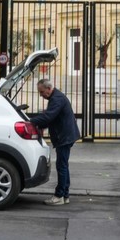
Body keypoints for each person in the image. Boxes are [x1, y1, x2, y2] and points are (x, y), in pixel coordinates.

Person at [29, 77, 80, 205]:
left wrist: (31, 122)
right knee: (64, 165)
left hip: (64, 136)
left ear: (48, 88)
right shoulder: (55, 97)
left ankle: (59, 196)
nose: (41, 95)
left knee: (61, 166)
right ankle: (65, 195)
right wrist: (40, 125)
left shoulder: (57, 99)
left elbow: (48, 116)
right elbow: (52, 118)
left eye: (41, 92)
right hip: (65, 135)